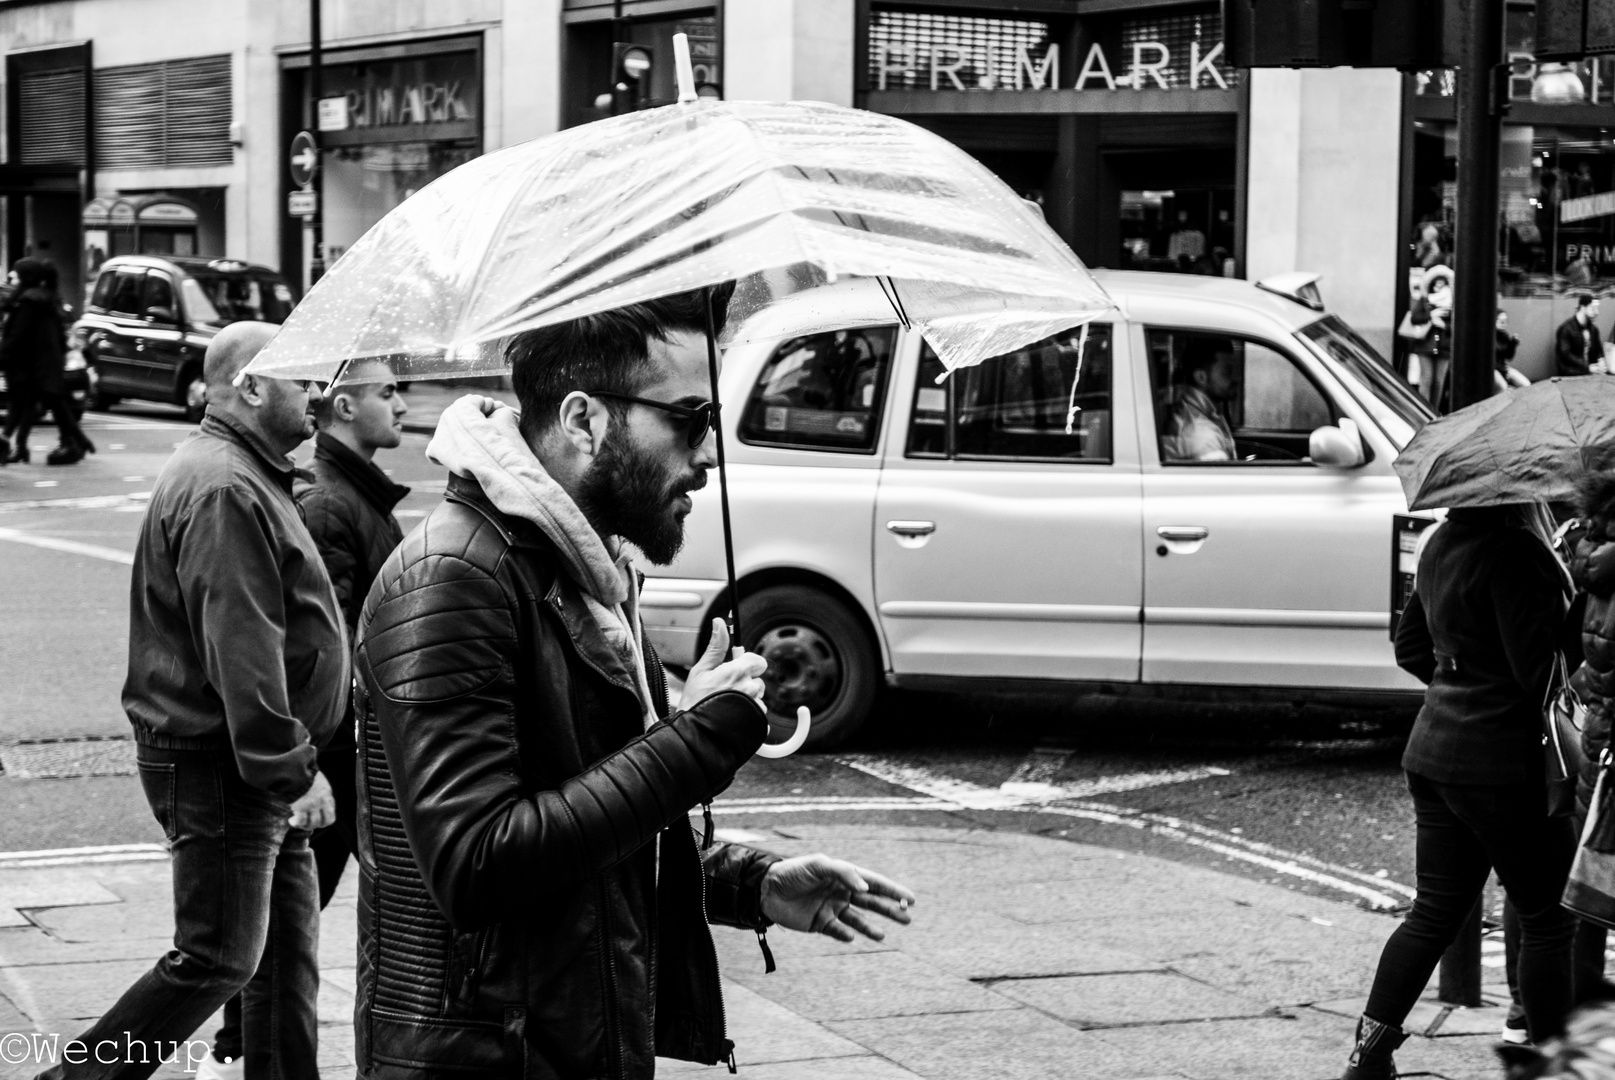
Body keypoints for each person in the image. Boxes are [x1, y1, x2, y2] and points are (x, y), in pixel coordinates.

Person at [352, 286, 917, 1079]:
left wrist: (749, 883)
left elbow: (591, 830)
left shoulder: (588, 574)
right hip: (486, 1057)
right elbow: (479, 864)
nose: (709, 453)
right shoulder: (453, 581)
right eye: (689, 420)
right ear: (584, 420)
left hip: (569, 1040)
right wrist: (697, 739)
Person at [38, 323, 347, 1080]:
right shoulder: (223, 487)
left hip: (247, 762)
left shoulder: (245, 473)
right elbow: (240, 645)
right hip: (224, 764)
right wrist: (290, 769)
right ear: (251, 386)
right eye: (304, 380)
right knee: (216, 958)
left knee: (281, 959)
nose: (320, 394)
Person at [198, 359, 410, 1080]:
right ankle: (234, 1052)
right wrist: (304, 761)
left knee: (286, 923)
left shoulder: (351, 495)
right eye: (387, 393)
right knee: (261, 932)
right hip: (329, 749)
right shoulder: (327, 503)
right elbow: (304, 639)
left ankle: (248, 1052)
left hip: (340, 745)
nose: (401, 404)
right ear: (345, 408)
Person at [1341, 503, 1578, 1079]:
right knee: (1548, 919)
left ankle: (1367, 1059)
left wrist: (1462, 688)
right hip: (1501, 766)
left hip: (1435, 749)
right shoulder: (1519, 555)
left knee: (1433, 913)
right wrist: (1574, 629)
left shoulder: (1440, 541)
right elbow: (1538, 674)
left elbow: (1410, 647)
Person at [0, 258, 93, 465]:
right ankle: (72, 441)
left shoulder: (29, 302)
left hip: (39, 364)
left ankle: (73, 441)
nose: (10, 278)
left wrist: (4, 355)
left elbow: (17, 336)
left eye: (14, 275)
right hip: (46, 363)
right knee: (34, 404)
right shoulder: (45, 300)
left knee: (44, 403)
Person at [1162, 338, 1237, 462]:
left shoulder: (1198, 411)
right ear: (1201, 377)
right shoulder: (1203, 435)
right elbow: (1221, 479)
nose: (1236, 378)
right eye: (1227, 372)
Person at [1557, 294, 1604, 378]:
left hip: (1591, 375)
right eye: (1592, 308)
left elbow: (1598, 351)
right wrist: (1587, 368)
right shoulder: (1566, 329)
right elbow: (1565, 357)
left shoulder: (1593, 330)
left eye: (1597, 308)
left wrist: (1601, 360)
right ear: (1583, 307)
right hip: (1572, 376)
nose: (1597, 312)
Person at [1496, 310, 1530, 392]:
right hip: (1493, 370)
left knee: (1526, 385)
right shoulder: (1488, 335)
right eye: (1500, 321)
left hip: (1503, 368)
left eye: (1505, 321)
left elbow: (1508, 356)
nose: (1503, 323)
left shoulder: (1504, 335)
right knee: (1502, 388)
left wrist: (1513, 344)